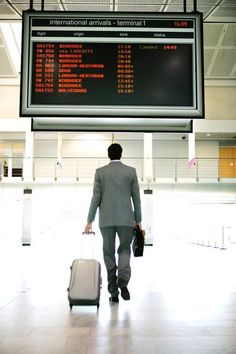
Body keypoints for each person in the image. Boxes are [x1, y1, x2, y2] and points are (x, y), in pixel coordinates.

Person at [84, 143, 142, 303]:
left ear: (108, 155)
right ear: (121, 154)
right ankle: (122, 281)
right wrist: (138, 221)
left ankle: (113, 293)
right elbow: (136, 199)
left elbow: (96, 197)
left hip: (106, 220)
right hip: (126, 220)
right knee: (124, 250)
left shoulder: (100, 173)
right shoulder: (131, 172)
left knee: (108, 253)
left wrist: (90, 221)